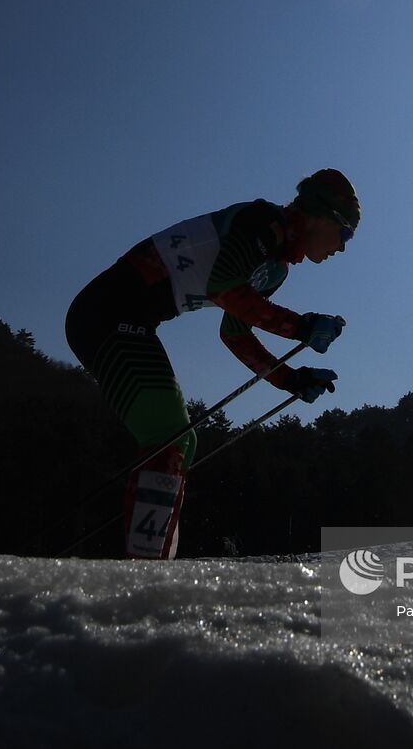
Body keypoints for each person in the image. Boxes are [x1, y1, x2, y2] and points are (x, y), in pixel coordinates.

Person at [65, 169, 359, 559]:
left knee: (179, 440)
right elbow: (223, 287)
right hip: (104, 315)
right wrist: (301, 326)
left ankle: (150, 563)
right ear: (324, 216)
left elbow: (234, 332)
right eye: (346, 233)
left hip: (129, 321)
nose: (343, 248)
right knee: (170, 434)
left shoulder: (275, 267)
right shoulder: (262, 224)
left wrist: (292, 380)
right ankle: (144, 573)